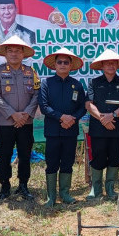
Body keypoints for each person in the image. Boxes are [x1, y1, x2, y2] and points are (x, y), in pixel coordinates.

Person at [0, 35, 40, 201]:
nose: (14, 54)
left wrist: (25, 115)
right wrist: (13, 114)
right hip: (5, 123)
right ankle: (5, 186)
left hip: (26, 122)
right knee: (4, 154)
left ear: (23, 54)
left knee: (25, 154)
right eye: (10, 51)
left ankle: (23, 185)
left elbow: (37, 94)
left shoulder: (31, 72)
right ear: (5, 54)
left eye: (18, 51)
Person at [39, 48, 86, 206]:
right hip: (52, 131)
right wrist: (61, 117)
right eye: (60, 62)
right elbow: (44, 106)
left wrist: (73, 118)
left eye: (66, 62)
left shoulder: (77, 85)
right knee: (52, 163)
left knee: (67, 162)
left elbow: (82, 107)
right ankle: (51, 197)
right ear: (55, 65)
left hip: (70, 130)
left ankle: (65, 194)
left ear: (71, 65)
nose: (63, 65)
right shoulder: (46, 83)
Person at [85, 49, 119, 201]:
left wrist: (112, 115)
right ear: (102, 66)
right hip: (98, 128)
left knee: (114, 157)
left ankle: (110, 188)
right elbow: (88, 104)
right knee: (97, 157)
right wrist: (102, 119)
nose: (111, 65)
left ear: (117, 65)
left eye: (113, 63)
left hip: (118, 128)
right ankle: (95, 188)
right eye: (107, 63)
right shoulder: (94, 82)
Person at [0, 0, 36, 69]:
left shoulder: (29, 34)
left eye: (10, 8)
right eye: (3, 8)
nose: (6, 12)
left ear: (16, 10)